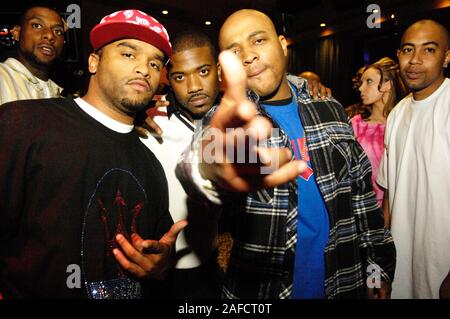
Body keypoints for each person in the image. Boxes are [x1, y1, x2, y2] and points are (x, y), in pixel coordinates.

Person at [176, 9, 396, 299]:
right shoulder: (226, 120)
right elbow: (196, 162)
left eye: (258, 40)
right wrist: (209, 170)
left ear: (282, 44)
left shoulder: (329, 107)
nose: (249, 55)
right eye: (234, 50)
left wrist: (377, 265)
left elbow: (361, 196)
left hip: (344, 281)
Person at [0, 9, 186, 299]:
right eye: (128, 54)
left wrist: (160, 264)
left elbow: (157, 247)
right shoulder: (22, 124)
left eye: (154, 62)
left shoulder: (151, 165)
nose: (144, 69)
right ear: (93, 61)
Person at [140, 30, 223, 298]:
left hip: (209, 259)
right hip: (159, 268)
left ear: (219, 70)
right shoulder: (150, 121)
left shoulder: (234, 119)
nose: (194, 86)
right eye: (179, 77)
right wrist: (128, 117)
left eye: (203, 71)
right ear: (169, 81)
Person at [376, 19, 450, 299]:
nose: (415, 61)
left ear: (447, 56)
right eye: (408, 50)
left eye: (429, 50)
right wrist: (381, 266)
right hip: (403, 270)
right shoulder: (396, 114)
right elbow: (388, 198)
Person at [350, 57, 406, 209]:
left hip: (396, 206)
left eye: (368, 81)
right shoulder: (355, 124)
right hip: (360, 207)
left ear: (388, 84)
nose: (361, 88)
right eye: (361, 82)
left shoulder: (402, 124)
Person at [0, 6, 65, 105]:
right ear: (17, 33)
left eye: (58, 31)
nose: (50, 35)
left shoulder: (62, 99)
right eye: (37, 25)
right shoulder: (3, 77)